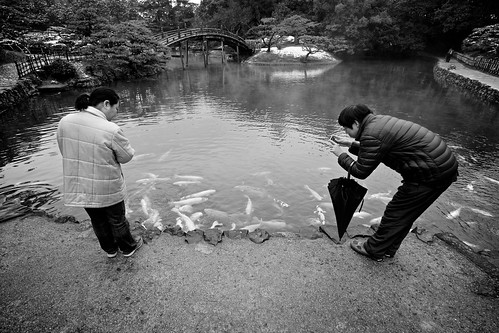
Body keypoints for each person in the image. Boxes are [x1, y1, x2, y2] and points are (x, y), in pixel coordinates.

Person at [330, 104, 458, 262]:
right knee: (405, 213)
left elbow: (360, 171)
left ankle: (374, 250)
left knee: (396, 212)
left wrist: (340, 155)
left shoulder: (371, 134)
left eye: (346, 129)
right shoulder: (377, 123)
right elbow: (378, 147)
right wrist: (351, 144)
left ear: (356, 123)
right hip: (441, 167)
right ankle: (388, 248)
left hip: (430, 174)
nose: (345, 132)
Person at [57, 87, 143, 258]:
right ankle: (127, 248)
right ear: (106, 104)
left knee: (97, 220)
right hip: (107, 185)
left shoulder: (65, 121)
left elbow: (64, 148)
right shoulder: (110, 129)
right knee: (117, 219)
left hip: (79, 183)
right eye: (116, 108)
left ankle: (110, 250)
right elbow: (126, 156)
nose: (116, 113)